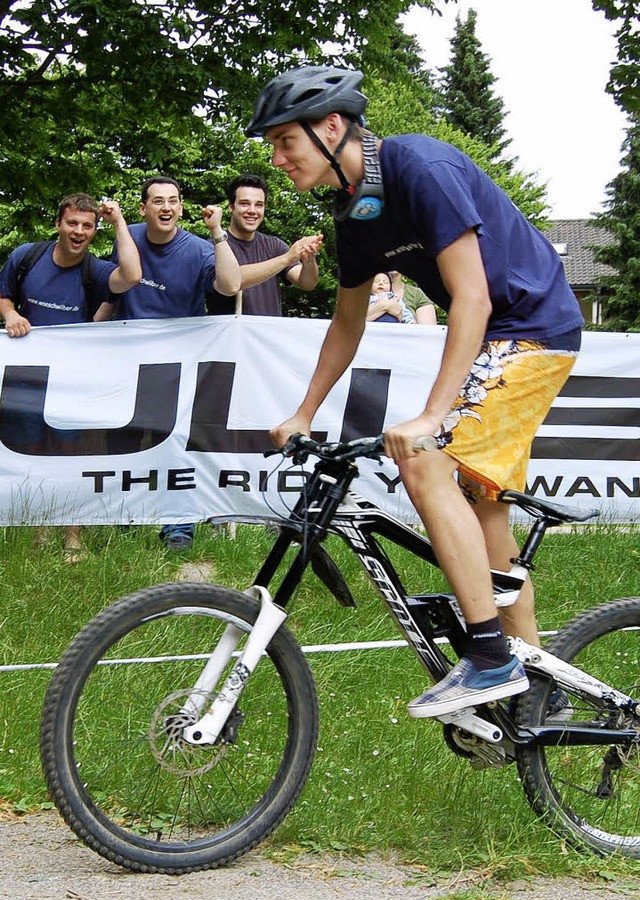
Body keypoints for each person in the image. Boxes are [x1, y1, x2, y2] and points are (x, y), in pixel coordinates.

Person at [246, 66, 584, 719]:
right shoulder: (356, 211)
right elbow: (346, 324)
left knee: (426, 457)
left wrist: (432, 413)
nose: (276, 157)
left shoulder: (417, 166)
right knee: (481, 507)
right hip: (501, 333)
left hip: (533, 327)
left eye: (285, 140)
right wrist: (304, 411)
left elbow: (473, 297)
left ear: (332, 127)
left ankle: (490, 659)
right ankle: (542, 698)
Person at [0, 192, 142, 562]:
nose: (79, 231)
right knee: (30, 453)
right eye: (72, 223)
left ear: (95, 230)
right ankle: (38, 531)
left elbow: (132, 275)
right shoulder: (26, 256)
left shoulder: (94, 270)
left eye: (87, 226)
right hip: (26, 378)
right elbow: (3, 296)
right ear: (58, 223)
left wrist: (119, 222)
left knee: (72, 455)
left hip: (73, 380)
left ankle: (72, 536)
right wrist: (11, 315)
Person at [109, 175, 241, 550]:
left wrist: (217, 232)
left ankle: (178, 527)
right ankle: (126, 520)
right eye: (157, 201)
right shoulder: (128, 236)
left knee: (178, 443)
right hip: (130, 359)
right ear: (143, 208)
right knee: (127, 439)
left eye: (173, 201)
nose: (166, 207)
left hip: (182, 363)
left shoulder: (199, 249)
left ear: (181, 208)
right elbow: (109, 286)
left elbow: (231, 286)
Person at [207, 173, 323, 316]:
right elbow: (231, 281)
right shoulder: (214, 246)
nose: (252, 211)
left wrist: (309, 260)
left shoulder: (275, 245)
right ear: (231, 206)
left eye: (259, 205)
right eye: (244, 203)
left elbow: (307, 283)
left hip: (267, 336)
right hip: (229, 336)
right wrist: (287, 258)